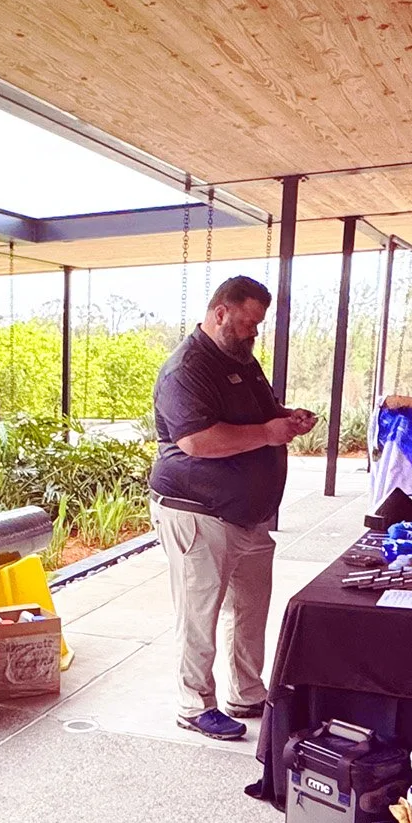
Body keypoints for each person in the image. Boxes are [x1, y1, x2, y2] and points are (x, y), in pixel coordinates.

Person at [149, 275, 317, 740]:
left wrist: (285, 417)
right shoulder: (186, 368)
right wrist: (267, 434)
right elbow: (197, 441)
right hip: (197, 511)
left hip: (247, 516)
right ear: (220, 313)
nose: (253, 333)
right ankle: (193, 704)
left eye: (258, 325)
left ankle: (246, 692)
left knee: (249, 610)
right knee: (199, 612)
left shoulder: (242, 359)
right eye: (247, 323)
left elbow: (260, 413)